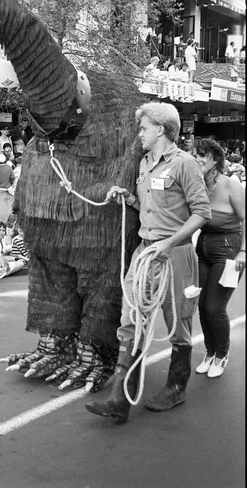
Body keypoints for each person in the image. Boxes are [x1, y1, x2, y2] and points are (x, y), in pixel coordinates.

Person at [85, 101, 211, 423]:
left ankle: (176, 388)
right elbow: (148, 206)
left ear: (161, 129)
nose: (139, 133)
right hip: (144, 254)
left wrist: (169, 244)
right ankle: (120, 398)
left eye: (143, 128)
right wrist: (129, 199)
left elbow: (202, 212)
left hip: (175, 254)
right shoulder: (144, 164)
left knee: (178, 324)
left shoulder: (185, 165)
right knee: (131, 321)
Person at [193, 139, 245, 377]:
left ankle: (222, 354)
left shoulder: (230, 184)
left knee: (215, 307)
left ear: (215, 160)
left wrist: (244, 251)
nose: (197, 159)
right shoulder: (197, 184)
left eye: (202, 155)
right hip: (203, 246)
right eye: (195, 155)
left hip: (228, 247)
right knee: (202, 306)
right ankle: (210, 351)